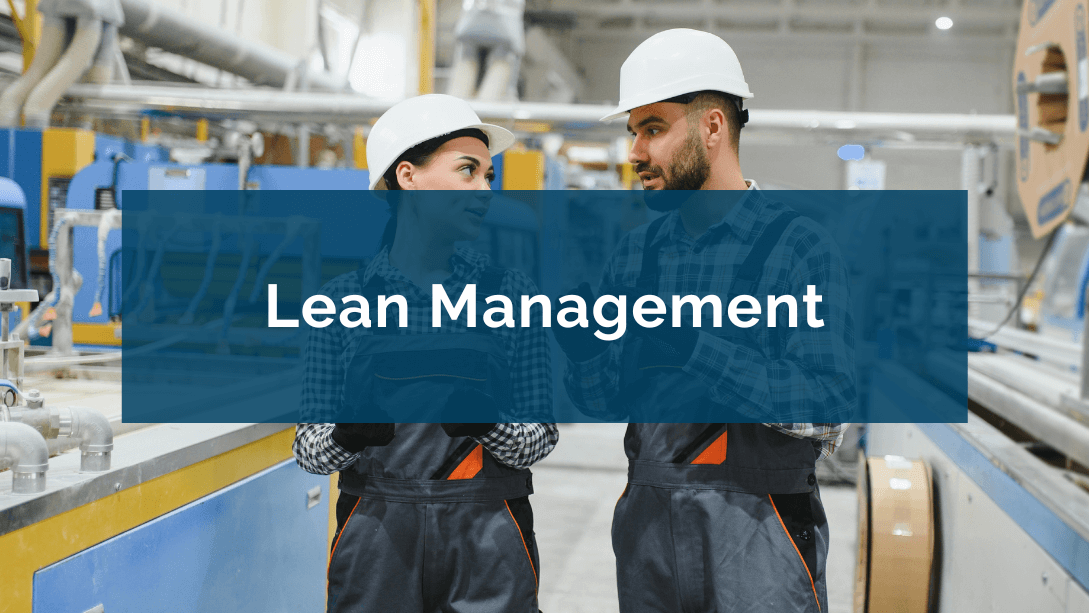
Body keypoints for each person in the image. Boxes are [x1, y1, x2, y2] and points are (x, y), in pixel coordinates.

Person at [554, 29, 856, 613]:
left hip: (759, 543)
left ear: (713, 127)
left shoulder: (798, 249)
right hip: (649, 542)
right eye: (633, 133)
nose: (635, 154)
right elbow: (604, 401)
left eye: (654, 129)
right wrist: (586, 355)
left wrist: (697, 346)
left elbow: (827, 408)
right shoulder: (634, 255)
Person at [293, 94, 557, 613]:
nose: (484, 190)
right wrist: (347, 435)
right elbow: (308, 451)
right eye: (468, 171)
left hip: (488, 533)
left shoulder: (513, 293)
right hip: (377, 534)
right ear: (408, 177)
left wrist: (491, 426)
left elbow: (540, 436)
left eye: (488, 175)